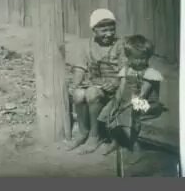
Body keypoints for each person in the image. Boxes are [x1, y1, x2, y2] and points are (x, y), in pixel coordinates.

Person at [67, 8, 124, 153]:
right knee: (78, 95)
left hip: (115, 89)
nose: (109, 34)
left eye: (112, 30)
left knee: (92, 93)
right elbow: (80, 68)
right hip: (96, 83)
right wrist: (75, 85)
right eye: (104, 30)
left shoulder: (120, 45)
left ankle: (95, 135)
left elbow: (126, 71)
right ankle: (83, 132)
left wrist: (116, 82)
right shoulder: (86, 45)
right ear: (94, 30)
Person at [98, 35, 163, 160]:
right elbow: (121, 90)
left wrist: (123, 107)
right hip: (129, 101)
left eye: (143, 58)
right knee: (109, 111)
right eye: (135, 58)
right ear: (128, 57)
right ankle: (115, 141)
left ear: (148, 57)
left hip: (147, 103)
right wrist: (115, 104)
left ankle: (135, 146)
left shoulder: (151, 73)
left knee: (127, 113)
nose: (139, 62)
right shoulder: (126, 70)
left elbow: (142, 95)